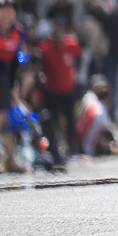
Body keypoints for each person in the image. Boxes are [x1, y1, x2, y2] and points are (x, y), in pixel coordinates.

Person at [0, 0, 26, 173]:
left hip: (3, 77)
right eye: (2, 9)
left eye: (10, 9)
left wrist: (14, 87)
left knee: (0, 121)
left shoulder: (18, 32)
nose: (6, 13)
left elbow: (15, 62)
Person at [38, 20, 82, 156]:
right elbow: (40, 65)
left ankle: (71, 146)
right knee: (54, 119)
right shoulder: (45, 48)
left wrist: (75, 72)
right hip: (53, 90)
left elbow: (80, 57)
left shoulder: (71, 44)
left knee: (70, 119)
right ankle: (56, 146)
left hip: (68, 88)